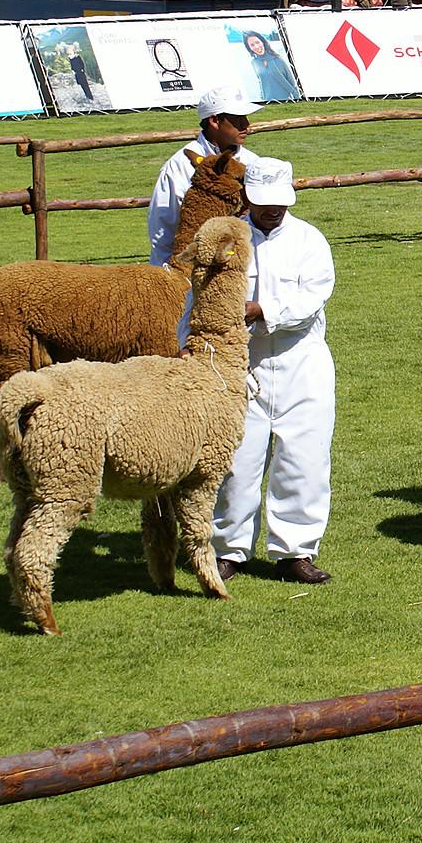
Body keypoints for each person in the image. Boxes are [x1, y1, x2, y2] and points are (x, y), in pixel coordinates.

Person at [211, 155, 336, 585]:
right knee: (236, 460)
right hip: (241, 362)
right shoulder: (225, 240)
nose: (272, 210)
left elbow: (311, 300)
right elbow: (200, 298)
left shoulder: (310, 241)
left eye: (280, 202)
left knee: (304, 457)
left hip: (302, 360)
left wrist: (262, 309)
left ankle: (295, 552)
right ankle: (228, 550)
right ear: (246, 195)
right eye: (264, 202)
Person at [149, 85, 259, 267]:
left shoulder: (252, 162)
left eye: (245, 118)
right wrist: (170, 276)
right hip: (193, 266)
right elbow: (162, 228)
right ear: (215, 121)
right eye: (237, 119)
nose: (246, 125)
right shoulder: (179, 166)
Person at [241, 29, 297, 101]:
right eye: (252, 45)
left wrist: (297, 99)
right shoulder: (254, 63)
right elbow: (261, 81)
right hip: (268, 102)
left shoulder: (278, 59)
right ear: (249, 48)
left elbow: (292, 82)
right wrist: (262, 98)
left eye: (257, 42)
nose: (256, 46)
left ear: (263, 42)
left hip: (285, 101)